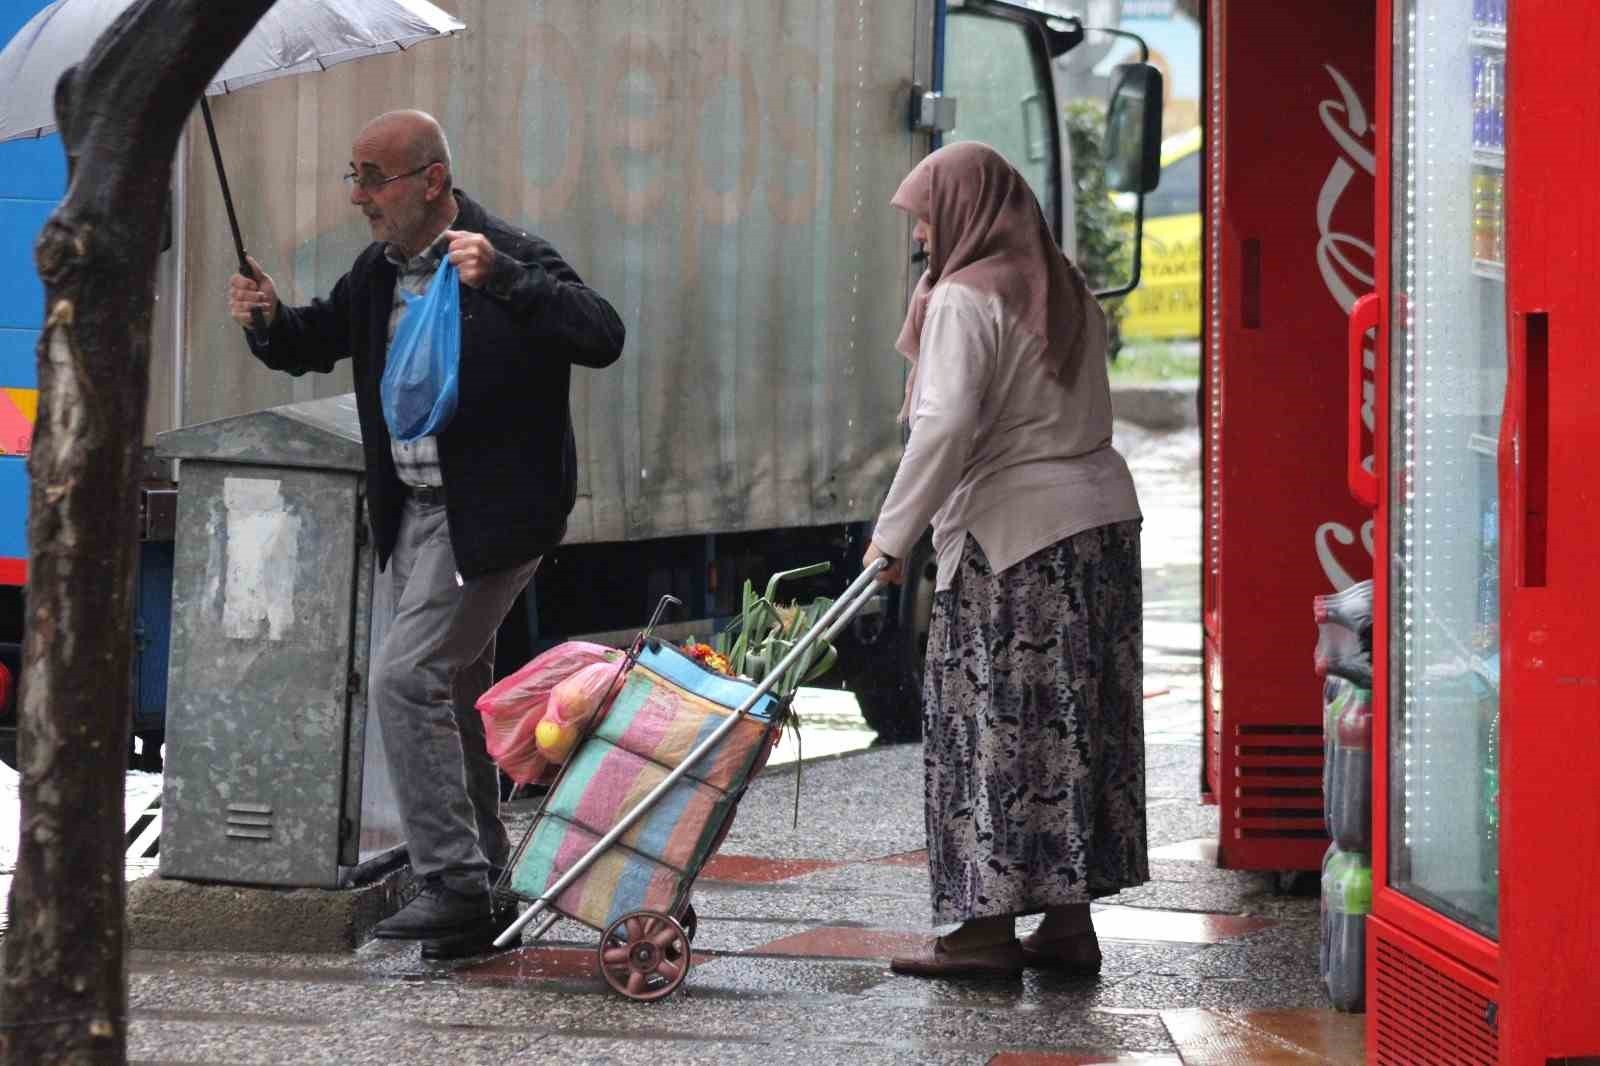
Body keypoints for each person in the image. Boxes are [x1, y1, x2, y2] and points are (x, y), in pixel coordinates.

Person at [227, 110, 624, 957]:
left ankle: (451, 883)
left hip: (490, 520)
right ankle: (481, 874)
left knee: (403, 680)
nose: (361, 197)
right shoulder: (379, 273)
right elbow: (315, 340)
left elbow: (602, 334)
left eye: (376, 177)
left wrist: (508, 279)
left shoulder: (503, 250)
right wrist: (267, 319)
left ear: (434, 180)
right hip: (412, 517)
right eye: (355, 176)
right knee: (447, 690)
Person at [864, 141, 1147, 978]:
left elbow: (944, 426)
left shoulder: (962, 298)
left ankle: (980, 934)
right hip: (1096, 533)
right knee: (1067, 733)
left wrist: (891, 538)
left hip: (1014, 545)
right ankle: (1066, 925)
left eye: (925, 214)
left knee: (989, 733)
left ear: (964, 211)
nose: (919, 234)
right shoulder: (1065, 285)